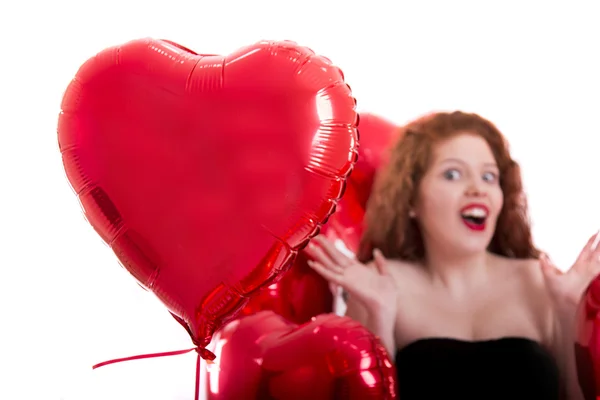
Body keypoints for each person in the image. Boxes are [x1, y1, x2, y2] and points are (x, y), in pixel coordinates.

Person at [304, 111, 599, 399]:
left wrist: (568, 309)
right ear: (411, 200)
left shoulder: (540, 281)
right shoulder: (378, 285)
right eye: (453, 174)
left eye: (489, 176)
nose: (477, 190)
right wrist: (380, 316)